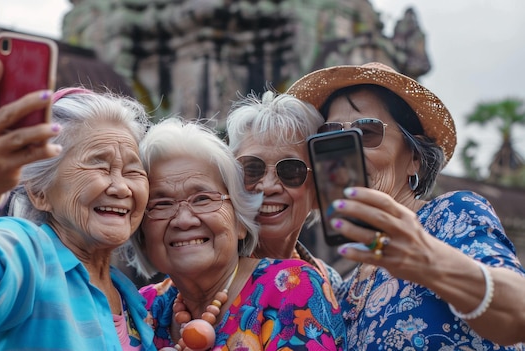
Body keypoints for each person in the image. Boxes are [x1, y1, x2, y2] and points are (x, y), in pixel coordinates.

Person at [287, 62, 525, 349]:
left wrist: (431, 261)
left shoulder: (451, 214)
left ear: (414, 157)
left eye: (367, 132)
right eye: (331, 134)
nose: (347, 149)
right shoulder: (345, 288)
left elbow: (519, 309)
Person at [0, 58, 156, 350]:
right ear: (39, 192)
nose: (121, 187)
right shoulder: (30, 256)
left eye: (133, 171)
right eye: (99, 166)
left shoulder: (132, 301)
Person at [126, 118, 346, 350]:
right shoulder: (142, 308)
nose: (183, 220)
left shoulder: (291, 286)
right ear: (142, 232)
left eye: (203, 199)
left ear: (239, 221)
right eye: (161, 204)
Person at [225, 91, 342, 294]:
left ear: (317, 188)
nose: (268, 186)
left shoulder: (331, 283)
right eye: (252, 168)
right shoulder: (210, 276)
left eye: (290, 170)